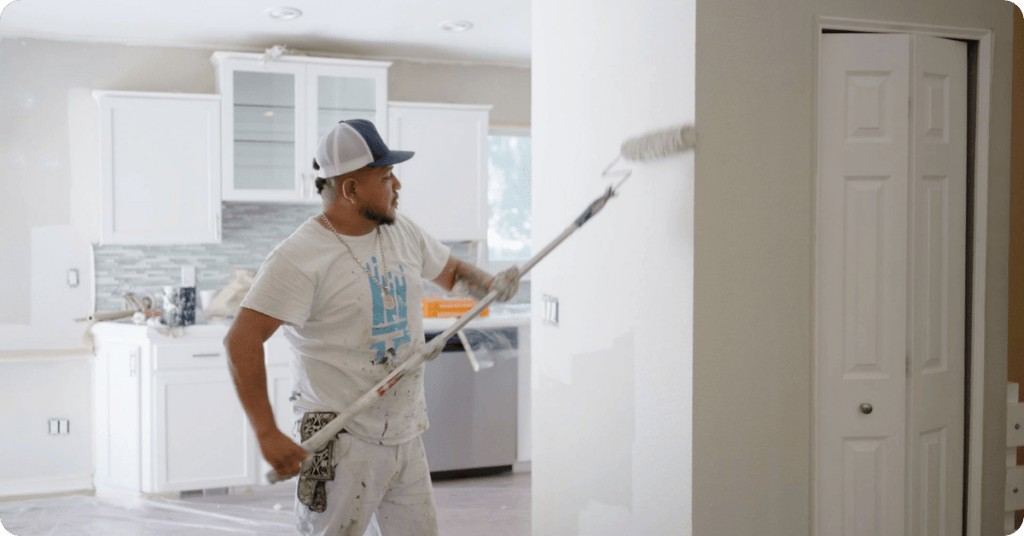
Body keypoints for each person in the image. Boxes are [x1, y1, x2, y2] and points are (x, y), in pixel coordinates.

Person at [224, 118, 520, 536]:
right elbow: (241, 340)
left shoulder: (401, 231)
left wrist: (490, 286)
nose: (397, 185)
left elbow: (451, 272)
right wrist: (266, 431)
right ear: (350, 189)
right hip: (340, 438)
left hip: (404, 431)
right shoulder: (299, 257)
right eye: (385, 176)